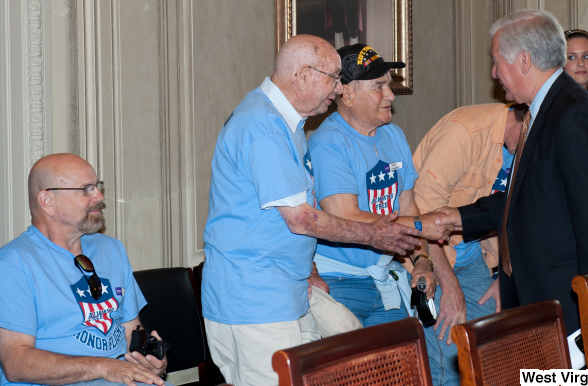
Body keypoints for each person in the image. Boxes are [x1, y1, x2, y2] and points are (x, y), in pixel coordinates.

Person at [201, 35, 423, 386]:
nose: (337, 89)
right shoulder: (263, 126)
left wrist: (309, 269)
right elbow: (302, 219)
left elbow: (278, 214)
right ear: (304, 75)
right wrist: (374, 233)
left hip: (287, 291)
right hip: (255, 302)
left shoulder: (286, 122)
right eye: (333, 77)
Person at [433, 9, 588, 335]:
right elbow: (528, 200)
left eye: (497, 61)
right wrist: (457, 218)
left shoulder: (574, 116)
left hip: (571, 301)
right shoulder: (544, 111)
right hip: (544, 294)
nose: (494, 72)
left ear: (524, 62)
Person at [308, 43, 449, 329]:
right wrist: (423, 225)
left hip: (385, 275)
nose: (390, 95)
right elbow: (346, 216)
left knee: (403, 367)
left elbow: (408, 207)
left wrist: (422, 261)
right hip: (340, 282)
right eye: (379, 86)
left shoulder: (394, 135)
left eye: (389, 85)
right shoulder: (328, 142)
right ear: (347, 94)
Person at [0, 153, 170, 386]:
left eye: (97, 186)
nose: (99, 196)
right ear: (47, 201)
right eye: (86, 189)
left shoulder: (112, 249)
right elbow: (16, 363)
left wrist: (149, 360)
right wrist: (103, 366)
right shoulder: (14, 262)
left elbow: (132, 330)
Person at [412, 102, 526, 386]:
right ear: (526, 121)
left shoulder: (523, 141)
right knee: (448, 363)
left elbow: (522, 215)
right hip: (430, 255)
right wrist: (450, 287)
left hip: (476, 255)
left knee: (491, 355)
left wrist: (503, 276)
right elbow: (422, 216)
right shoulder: (465, 132)